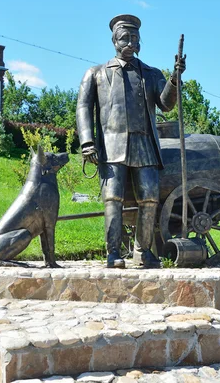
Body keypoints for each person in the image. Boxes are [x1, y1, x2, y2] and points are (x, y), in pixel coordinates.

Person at [76, 14, 185, 268]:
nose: (130, 41)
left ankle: (142, 251)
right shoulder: (96, 74)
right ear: (115, 40)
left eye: (135, 37)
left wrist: (174, 79)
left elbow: (166, 104)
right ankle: (112, 253)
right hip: (111, 147)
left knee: (149, 197)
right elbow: (82, 107)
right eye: (125, 36)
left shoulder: (150, 73)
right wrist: (87, 142)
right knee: (112, 198)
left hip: (144, 145)